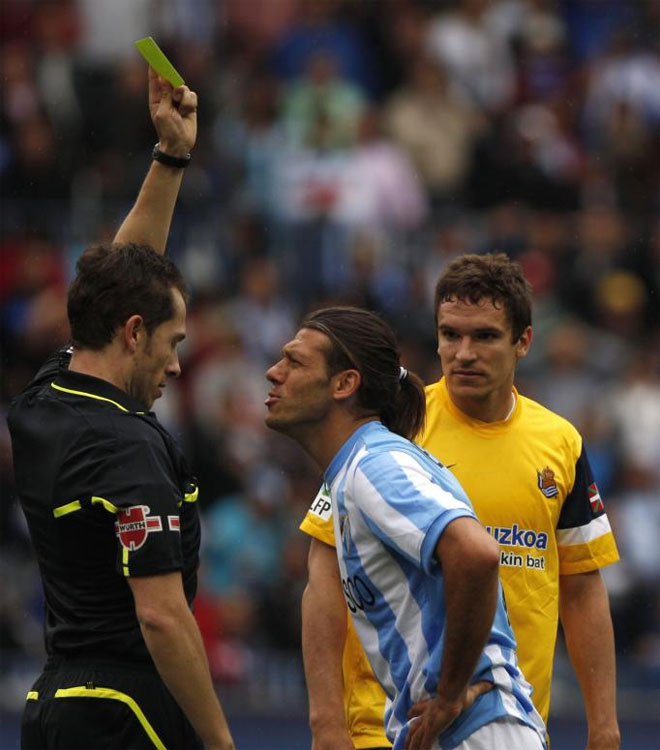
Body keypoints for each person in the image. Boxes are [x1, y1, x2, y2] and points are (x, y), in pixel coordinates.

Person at [299, 255, 621, 749]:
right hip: (391, 729)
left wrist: (604, 727)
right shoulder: (392, 430)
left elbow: (581, 589)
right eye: (450, 334)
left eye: (485, 336)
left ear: (523, 342)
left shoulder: (561, 443)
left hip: (508, 726)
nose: (464, 353)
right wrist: (326, 722)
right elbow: (324, 572)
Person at [8, 68, 235, 750]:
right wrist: (220, 741)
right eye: (172, 344)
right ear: (135, 334)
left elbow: (123, 276)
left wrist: (171, 155)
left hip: (53, 704)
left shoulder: (44, 399)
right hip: (127, 715)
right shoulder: (125, 445)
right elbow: (161, 617)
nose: (176, 366)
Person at [265, 306, 546, 750]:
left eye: (294, 362)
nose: (273, 372)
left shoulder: (375, 466)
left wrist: (451, 693)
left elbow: (477, 554)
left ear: (344, 384)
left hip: (476, 731)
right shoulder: (357, 471)